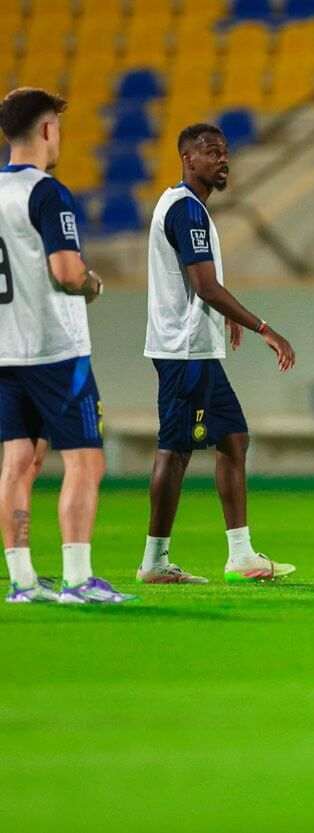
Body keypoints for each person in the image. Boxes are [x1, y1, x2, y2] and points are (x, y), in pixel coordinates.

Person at [138, 123, 297, 585]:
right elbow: (204, 285)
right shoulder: (187, 211)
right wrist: (262, 327)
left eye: (225, 151)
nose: (223, 159)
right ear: (189, 159)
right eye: (212, 152)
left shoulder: (182, 206)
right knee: (175, 450)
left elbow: (199, 284)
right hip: (185, 352)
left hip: (191, 348)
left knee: (231, 439)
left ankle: (241, 555)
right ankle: (156, 561)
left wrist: (220, 313)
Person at [0, 87, 134, 603]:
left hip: (7, 350)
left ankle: (23, 581)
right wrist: (92, 283)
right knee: (85, 462)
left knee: (17, 463)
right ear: (47, 130)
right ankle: (78, 579)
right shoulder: (47, 192)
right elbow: (65, 271)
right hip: (55, 351)